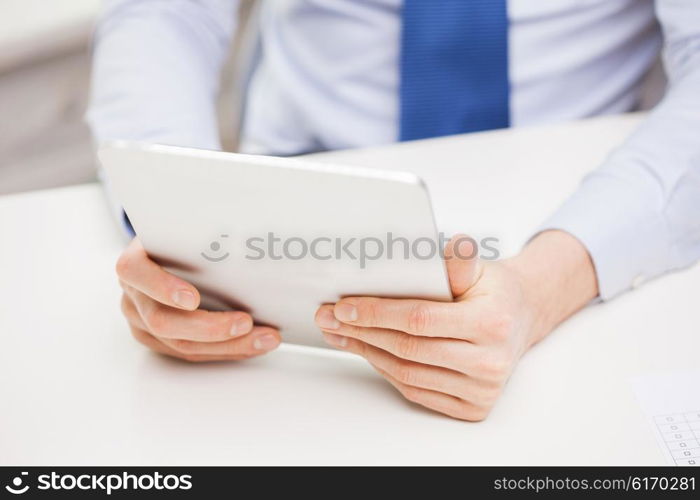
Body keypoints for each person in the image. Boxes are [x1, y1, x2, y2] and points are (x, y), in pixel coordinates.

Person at [88, 0, 700, 421]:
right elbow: (164, 13)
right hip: (290, 188)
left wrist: (544, 287)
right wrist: (175, 227)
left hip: (585, 204)